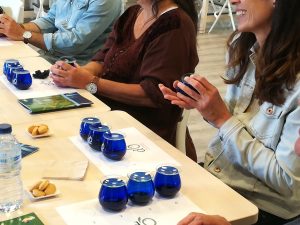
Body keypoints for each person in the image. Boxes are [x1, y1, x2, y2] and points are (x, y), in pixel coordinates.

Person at [160, 0, 300, 224]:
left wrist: (221, 118)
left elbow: (287, 181)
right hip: (220, 180)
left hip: (264, 208)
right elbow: (238, 125)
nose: (233, 1)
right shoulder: (243, 48)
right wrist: (204, 105)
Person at [50, 0, 199, 161]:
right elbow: (102, 59)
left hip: (143, 130)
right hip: (109, 114)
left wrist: (90, 82)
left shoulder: (175, 25)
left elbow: (152, 94)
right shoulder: (133, 13)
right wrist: (74, 74)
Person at [0, 0, 122, 65]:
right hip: (51, 57)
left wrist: (23, 34)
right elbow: (50, 19)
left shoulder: (106, 1)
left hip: (77, 66)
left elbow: (75, 43)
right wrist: (14, 28)